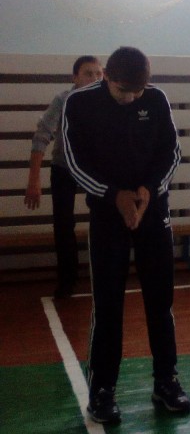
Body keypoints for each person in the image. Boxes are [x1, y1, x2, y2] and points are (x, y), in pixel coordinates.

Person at [63, 47, 190, 423]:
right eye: (123, 91)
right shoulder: (79, 103)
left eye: (138, 91)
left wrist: (150, 190)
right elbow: (74, 161)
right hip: (107, 216)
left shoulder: (156, 99)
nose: (132, 98)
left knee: (160, 301)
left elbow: (171, 153)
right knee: (108, 306)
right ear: (105, 76)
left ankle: (166, 381)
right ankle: (102, 390)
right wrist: (113, 195)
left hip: (152, 211)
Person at [24, 55, 103, 298]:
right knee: (63, 224)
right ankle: (67, 280)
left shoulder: (107, 101)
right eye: (88, 73)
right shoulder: (63, 100)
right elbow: (42, 136)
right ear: (75, 77)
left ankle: (104, 274)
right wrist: (34, 180)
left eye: (98, 73)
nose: (94, 78)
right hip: (64, 167)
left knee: (105, 219)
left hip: (95, 169)